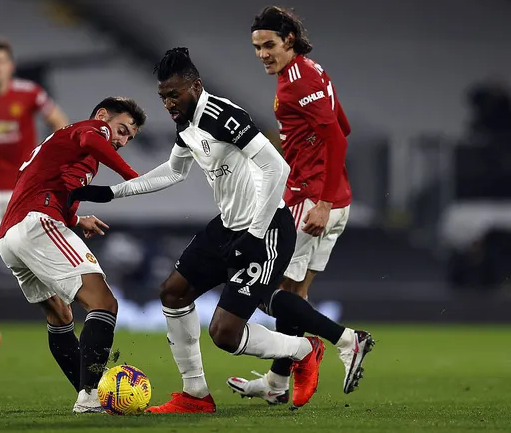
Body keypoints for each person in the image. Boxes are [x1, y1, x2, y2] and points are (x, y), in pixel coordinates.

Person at [68, 48, 373, 414]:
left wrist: (256, 234)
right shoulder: (186, 121)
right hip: (227, 226)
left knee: (224, 333)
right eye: (163, 96)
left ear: (195, 86)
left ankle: (305, 350)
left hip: (267, 229)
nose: (168, 103)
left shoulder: (222, 115)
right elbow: (174, 171)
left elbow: (277, 168)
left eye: (174, 94)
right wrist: (109, 193)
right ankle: (195, 395)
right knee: (172, 293)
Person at [227, 6, 354, 408]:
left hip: (309, 201)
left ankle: (346, 340)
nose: (263, 53)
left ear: (289, 41)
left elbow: (337, 139)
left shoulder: (295, 83)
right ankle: (277, 383)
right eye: (256, 47)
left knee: (272, 291)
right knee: (294, 294)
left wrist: (321, 200)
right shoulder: (311, 71)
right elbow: (342, 125)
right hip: (333, 199)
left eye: (269, 45)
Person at [0, 97, 146, 413]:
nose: (120, 140)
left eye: (128, 138)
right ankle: (91, 397)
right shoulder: (89, 130)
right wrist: (133, 177)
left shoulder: (73, 155)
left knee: (61, 315)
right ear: (103, 116)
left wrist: (78, 220)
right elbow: (92, 138)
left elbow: (57, 192)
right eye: (121, 130)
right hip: (36, 224)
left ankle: (87, 395)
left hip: (10, 236)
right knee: (104, 303)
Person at [0, 38, 69, 360]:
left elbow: (60, 123)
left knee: (33, 257)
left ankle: (61, 314)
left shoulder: (30, 93)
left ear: (10, 66)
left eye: (1, 61)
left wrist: (50, 161)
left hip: (22, 190)